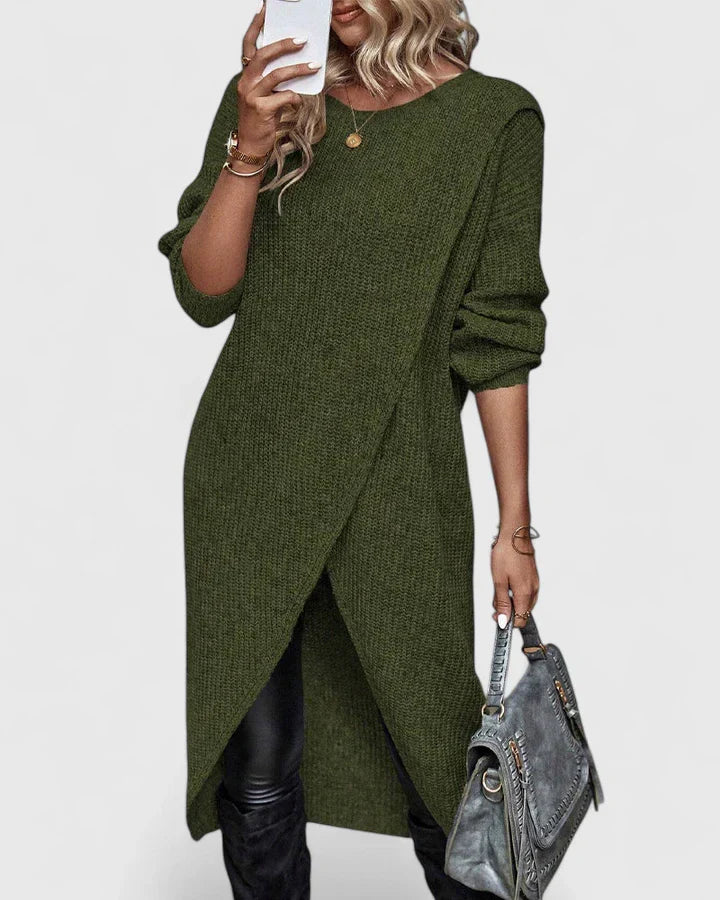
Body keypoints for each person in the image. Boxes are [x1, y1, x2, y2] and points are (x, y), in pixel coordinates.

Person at [157, 1, 548, 897]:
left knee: (443, 767)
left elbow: (497, 337)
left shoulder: (494, 120)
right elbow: (204, 292)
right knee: (257, 774)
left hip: (400, 476)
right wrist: (249, 146)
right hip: (249, 472)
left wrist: (515, 527)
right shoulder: (272, 97)